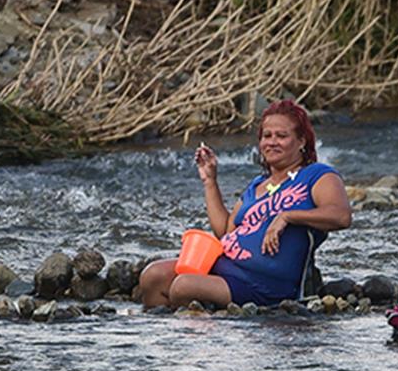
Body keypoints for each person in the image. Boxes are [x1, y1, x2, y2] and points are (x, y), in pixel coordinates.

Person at [139, 99, 351, 309]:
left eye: (282, 136)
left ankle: (196, 329)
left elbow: (341, 216)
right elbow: (225, 233)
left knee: (184, 286)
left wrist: (287, 216)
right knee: (153, 275)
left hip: (265, 284)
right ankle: (170, 338)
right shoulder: (257, 185)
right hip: (224, 268)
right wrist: (210, 181)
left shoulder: (317, 175)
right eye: (267, 136)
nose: (272, 142)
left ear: (302, 141)